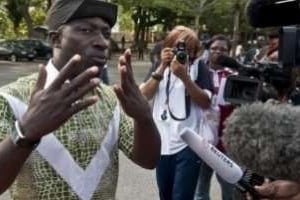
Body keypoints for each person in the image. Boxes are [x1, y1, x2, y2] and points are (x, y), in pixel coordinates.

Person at [0, 0, 161, 199]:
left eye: (106, 34)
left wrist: (144, 118)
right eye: (86, 30)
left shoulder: (112, 98)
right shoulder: (10, 98)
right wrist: (25, 132)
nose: (102, 42)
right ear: (56, 39)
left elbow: (148, 160)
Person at [140, 26, 213, 200]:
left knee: (182, 196)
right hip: (162, 143)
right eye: (176, 47)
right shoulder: (159, 66)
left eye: (187, 50)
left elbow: (205, 102)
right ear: (167, 47)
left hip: (188, 143)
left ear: (194, 52)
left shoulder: (198, 66)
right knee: (165, 194)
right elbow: (144, 96)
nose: (181, 53)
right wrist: (162, 67)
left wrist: (185, 77)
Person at [194, 34, 235, 200]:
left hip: (227, 139)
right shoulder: (198, 71)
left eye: (223, 49)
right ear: (208, 50)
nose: (218, 52)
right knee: (200, 187)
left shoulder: (236, 74)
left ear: (229, 52)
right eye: (214, 49)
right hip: (202, 136)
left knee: (229, 186)